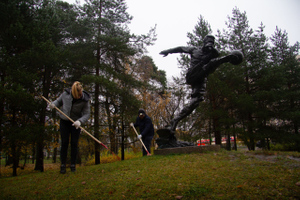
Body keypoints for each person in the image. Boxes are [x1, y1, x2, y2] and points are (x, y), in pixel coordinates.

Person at [160, 35, 242, 132]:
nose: (209, 47)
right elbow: (181, 48)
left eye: (211, 43)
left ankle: (174, 121)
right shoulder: (194, 50)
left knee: (196, 101)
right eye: (208, 43)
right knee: (212, 63)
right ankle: (224, 59)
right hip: (193, 74)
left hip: (201, 78)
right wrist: (168, 51)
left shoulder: (214, 53)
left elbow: (214, 63)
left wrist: (228, 57)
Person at [49, 81, 90, 173]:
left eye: (80, 95)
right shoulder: (65, 95)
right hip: (64, 121)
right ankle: (63, 165)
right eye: (77, 95)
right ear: (73, 93)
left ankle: (73, 165)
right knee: (64, 142)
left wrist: (80, 121)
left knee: (74, 143)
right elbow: (58, 102)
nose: (79, 96)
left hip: (76, 123)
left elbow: (87, 114)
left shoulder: (85, 100)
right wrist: (53, 104)